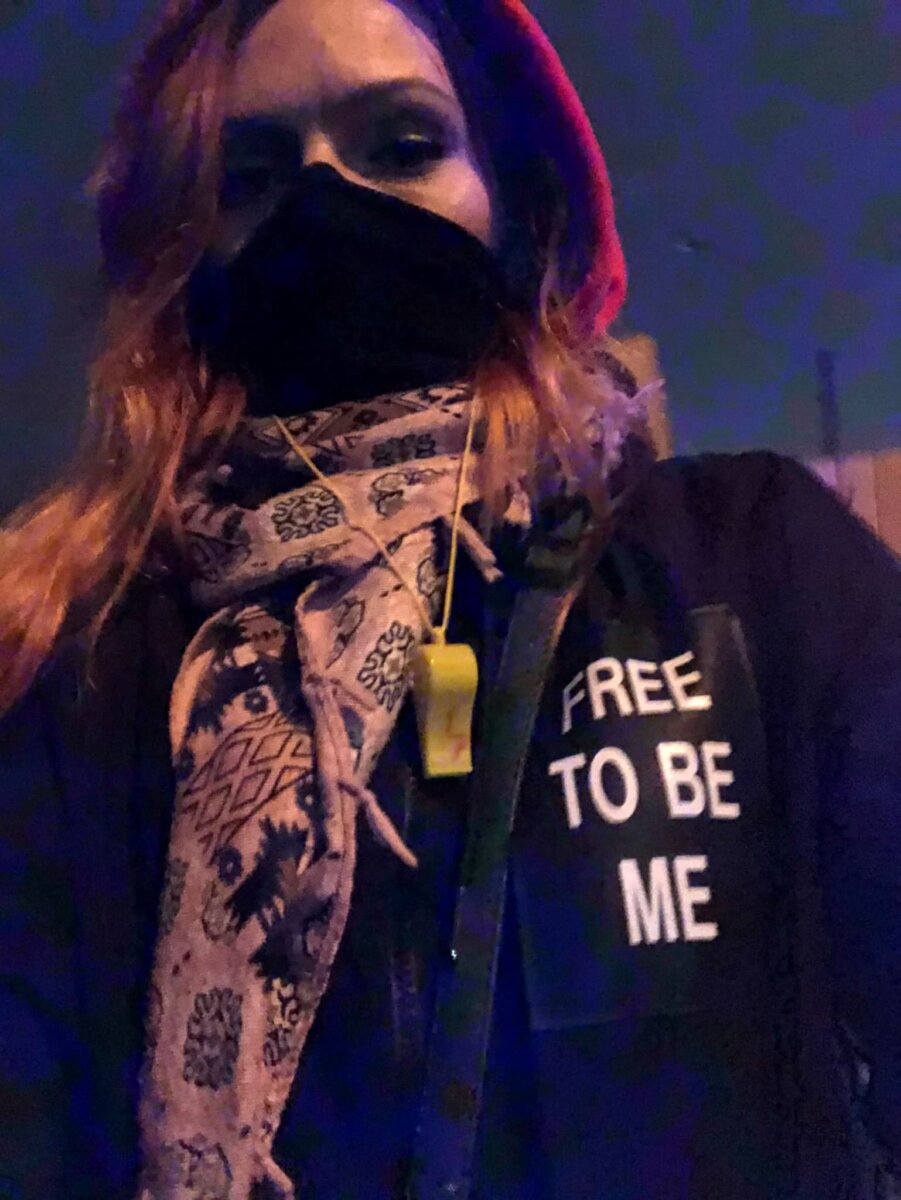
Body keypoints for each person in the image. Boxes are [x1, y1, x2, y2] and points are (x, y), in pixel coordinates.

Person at [1, 0, 900, 1198]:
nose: (327, 200)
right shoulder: (84, 661)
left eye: (404, 144)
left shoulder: (750, 561)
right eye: (252, 175)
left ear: (516, 209)